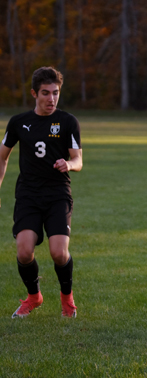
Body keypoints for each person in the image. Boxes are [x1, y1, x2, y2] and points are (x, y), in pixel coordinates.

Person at [0, 66, 82, 318]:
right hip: (28, 195)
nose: (51, 99)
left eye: (55, 93)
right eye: (45, 93)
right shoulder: (18, 123)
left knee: (59, 253)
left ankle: (67, 298)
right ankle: (34, 297)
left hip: (58, 194)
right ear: (34, 93)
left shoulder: (68, 121)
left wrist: (68, 164)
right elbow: (2, 158)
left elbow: (78, 160)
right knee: (24, 252)